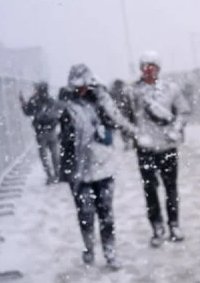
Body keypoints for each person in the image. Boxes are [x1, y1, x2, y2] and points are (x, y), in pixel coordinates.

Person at [59, 63, 138, 269]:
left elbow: (116, 119)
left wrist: (102, 98)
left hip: (103, 167)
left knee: (106, 214)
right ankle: (89, 248)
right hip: (80, 170)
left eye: (85, 85)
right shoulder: (67, 106)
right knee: (85, 214)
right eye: (77, 86)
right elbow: (66, 139)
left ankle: (110, 252)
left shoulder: (100, 102)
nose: (81, 90)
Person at [126, 51, 191, 247]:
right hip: (145, 149)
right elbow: (124, 117)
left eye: (152, 66)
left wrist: (176, 129)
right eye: (145, 66)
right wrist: (135, 134)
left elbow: (183, 111)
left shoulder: (171, 89)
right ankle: (156, 226)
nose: (148, 70)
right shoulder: (132, 92)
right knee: (150, 189)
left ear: (158, 68)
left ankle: (174, 224)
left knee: (171, 188)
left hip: (167, 147)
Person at [19, 81, 63, 184]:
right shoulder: (51, 101)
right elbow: (58, 114)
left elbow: (27, 112)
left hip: (40, 133)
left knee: (44, 156)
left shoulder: (34, 101)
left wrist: (22, 102)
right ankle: (57, 174)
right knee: (55, 154)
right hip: (51, 131)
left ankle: (50, 176)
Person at [110, 78, 135, 150]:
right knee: (125, 129)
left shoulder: (117, 92)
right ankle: (128, 142)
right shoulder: (122, 92)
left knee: (125, 129)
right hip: (124, 113)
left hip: (123, 113)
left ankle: (128, 142)